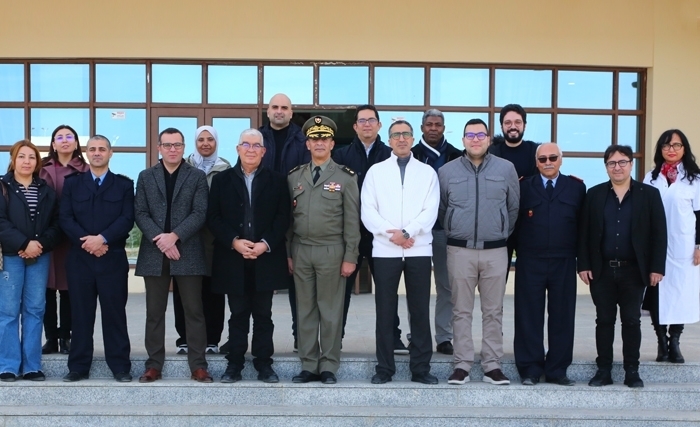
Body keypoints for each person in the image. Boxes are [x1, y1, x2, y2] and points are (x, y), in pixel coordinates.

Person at [578, 144, 667, 388]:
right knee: (604, 320)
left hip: (634, 271)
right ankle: (603, 371)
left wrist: (657, 268)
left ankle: (631, 371)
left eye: (622, 162)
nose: (617, 167)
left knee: (631, 321)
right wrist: (583, 265)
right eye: (612, 163)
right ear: (606, 167)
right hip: (602, 270)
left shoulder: (649, 195)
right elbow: (584, 234)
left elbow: (660, 234)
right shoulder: (594, 195)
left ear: (631, 164)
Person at [438, 118, 519, 386]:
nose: (475, 139)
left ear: (488, 139)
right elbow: (441, 208)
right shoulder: (447, 172)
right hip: (459, 251)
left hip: (495, 251)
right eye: (469, 135)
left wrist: (498, 230)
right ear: (462, 140)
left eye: (480, 134)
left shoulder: (506, 169)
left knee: (493, 310)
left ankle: (492, 365)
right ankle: (461, 364)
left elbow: (513, 208)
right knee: (460, 310)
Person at [207, 129, 290, 383]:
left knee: (264, 314)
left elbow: (283, 217)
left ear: (263, 151)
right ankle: (234, 365)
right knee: (238, 314)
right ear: (238, 149)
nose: (251, 149)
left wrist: (265, 244)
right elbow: (214, 217)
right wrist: (234, 241)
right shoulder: (222, 180)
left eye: (257, 145)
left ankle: (264, 364)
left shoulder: (277, 180)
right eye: (246, 144)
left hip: (266, 257)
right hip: (233, 257)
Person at [362, 120, 440, 385]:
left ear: (413, 137)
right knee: (385, 310)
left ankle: (420, 369)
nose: (402, 139)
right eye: (396, 135)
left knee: (419, 310)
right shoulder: (375, 171)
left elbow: (431, 210)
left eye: (406, 134)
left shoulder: (427, 172)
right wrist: (390, 233)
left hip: (418, 250)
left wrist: (408, 232)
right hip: (385, 251)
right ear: (389, 139)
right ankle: (384, 368)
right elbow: (368, 210)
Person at [134, 127, 213, 383]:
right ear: (159, 147)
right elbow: (141, 213)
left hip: (187, 250)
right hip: (154, 252)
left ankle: (198, 365)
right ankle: (154, 365)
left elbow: (200, 213)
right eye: (167, 145)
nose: (172, 149)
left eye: (177, 145)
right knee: (154, 313)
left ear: (183, 147)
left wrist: (175, 236)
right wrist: (162, 240)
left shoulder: (197, 176)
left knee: (194, 311)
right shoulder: (146, 177)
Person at [287, 115, 360, 384]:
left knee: (330, 311)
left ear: (332, 144)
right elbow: (288, 220)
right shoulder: (295, 176)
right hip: (301, 250)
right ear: (307, 144)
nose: (319, 143)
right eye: (314, 139)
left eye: (324, 138)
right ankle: (308, 364)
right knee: (305, 310)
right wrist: (288, 253)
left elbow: (352, 220)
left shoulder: (346, 177)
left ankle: (329, 365)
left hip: (332, 251)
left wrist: (350, 256)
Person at [332, 105, 407, 354]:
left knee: (386, 291)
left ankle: (392, 338)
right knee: (340, 291)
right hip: (350, 234)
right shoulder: (341, 157)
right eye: (361, 120)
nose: (366, 124)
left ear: (379, 125)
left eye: (371, 120)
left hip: (383, 234)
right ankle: (335, 338)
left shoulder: (391, 155)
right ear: (354, 126)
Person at [59, 135, 134, 383]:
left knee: (114, 314)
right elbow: (66, 218)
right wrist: (89, 242)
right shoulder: (72, 184)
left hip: (111, 258)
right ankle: (78, 367)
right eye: (93, 149)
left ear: (110, 153)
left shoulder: (123, 185)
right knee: (81, 315)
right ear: (86, 153)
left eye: (102, 149)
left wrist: (101, 239)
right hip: (80, 260)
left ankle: (121, 367)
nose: (97, 153)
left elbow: (126, 219)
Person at [513, 143, 585, 386]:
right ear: (536, 162)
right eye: (542, 159)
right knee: (528, 316)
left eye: (552, 157)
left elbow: (583, 230)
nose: (547, 162)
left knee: (562, 316)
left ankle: (557, 369)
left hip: (563, 261)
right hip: (529, 261)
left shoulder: (576, 188)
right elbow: (514, 227)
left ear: (561, 159)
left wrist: (583, 263)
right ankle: (530, 369)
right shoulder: (524, 186)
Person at [0, 140, 60, 382]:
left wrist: (39, 245)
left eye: (32, 157)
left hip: (40, 256)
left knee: (35, 310)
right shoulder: (2, 186)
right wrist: (24, 244)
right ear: (13, 159)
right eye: (22, 156)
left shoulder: (46, 190)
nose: (27, 161)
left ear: (38, 162)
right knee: (8, 312)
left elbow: (57, 224)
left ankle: (32, 366)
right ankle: (9, 365)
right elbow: (1, 221)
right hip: (12, 257)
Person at [642, 129, 700, 364]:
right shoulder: (651, 178)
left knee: (680, 294)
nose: (671, 150)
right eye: (666, 146)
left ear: (684, 148)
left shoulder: (694, 179)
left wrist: (699, 245)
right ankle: (661, 341)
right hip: (655, 247)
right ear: (660, 150)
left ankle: (675, 340)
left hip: (684, 247)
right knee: (657, 294)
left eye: (676, 145)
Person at [172, 126, 231, 355]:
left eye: (210, 139)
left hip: (213, 240)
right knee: (183, 291)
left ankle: (212, 340)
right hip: (185, 237)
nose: (205, 143)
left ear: (216, 142)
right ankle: (185, 339)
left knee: (212, 291)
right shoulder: (183, 166)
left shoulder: (225, 168)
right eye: (201, 139)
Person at [259, 93, 310, 351]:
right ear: (267, 111)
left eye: (284, 108)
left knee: (298, 286)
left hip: (295, 220)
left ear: (291, 113)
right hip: (261, 225)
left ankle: (301, 338)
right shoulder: (256, 139)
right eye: (274, 107)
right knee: (257, 288)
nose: (279, 111)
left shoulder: (303, 141)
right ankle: (248, 341)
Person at [411, 109, 462, 355]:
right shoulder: (410, 154)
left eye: (438, 125)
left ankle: (444, 336)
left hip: (444, 230)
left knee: (446, 285)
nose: (433, 128)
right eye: (429, 124)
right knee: (416, 286)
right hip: (416, 230)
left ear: (444, 128)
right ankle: (417, 334)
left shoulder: (456, 155)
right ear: (422, 127)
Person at [40, 125, 90, 355]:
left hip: (73, 238)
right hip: (46, 237)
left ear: (76, 142)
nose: (64, 140)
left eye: (69, 136)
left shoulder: (87, 170)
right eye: (59, 137)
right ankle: (50, 337)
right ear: (53, 144)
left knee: (70, 289)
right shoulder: (40, 169)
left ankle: (66, 337)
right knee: (47, 288)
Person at [488, 104, 539, 281]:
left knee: (528, 279)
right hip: (499, 224)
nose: (513, 126)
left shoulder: (535, 152)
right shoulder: (492, 153)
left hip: (528, 224)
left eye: (517, 122)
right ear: (502, 125)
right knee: (497, 279)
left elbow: (538, 186)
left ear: (524, 125)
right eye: (508, 122)